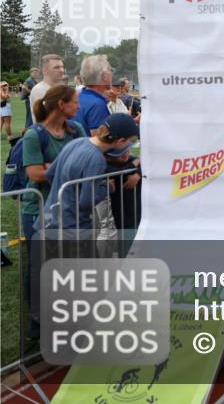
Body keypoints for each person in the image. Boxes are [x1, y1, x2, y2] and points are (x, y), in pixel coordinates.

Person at [20, 85, 87, 338]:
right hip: (37, 211)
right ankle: (37, 325)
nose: (78, 106)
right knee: (38, 268)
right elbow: (35, 174)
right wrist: (67, 169)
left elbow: (86, 164)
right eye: (75, 102)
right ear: (62, 104)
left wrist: (54, 168)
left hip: (67, 211)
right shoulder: (34, 135)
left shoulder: (76, 130)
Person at [38, 113, 140, 234]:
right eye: (130, 141)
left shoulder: (77, 142)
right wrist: (108, 187)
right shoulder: (97, 159)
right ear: (121, 141)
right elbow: (86, 202)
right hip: (73, 227)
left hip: (49, 219)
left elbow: (49, 174)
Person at [74, 54, 114, 134]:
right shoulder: (97, 104)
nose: (112, 72)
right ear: (104, 76)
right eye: (110, 70)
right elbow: (100, 142)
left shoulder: (78, 98)